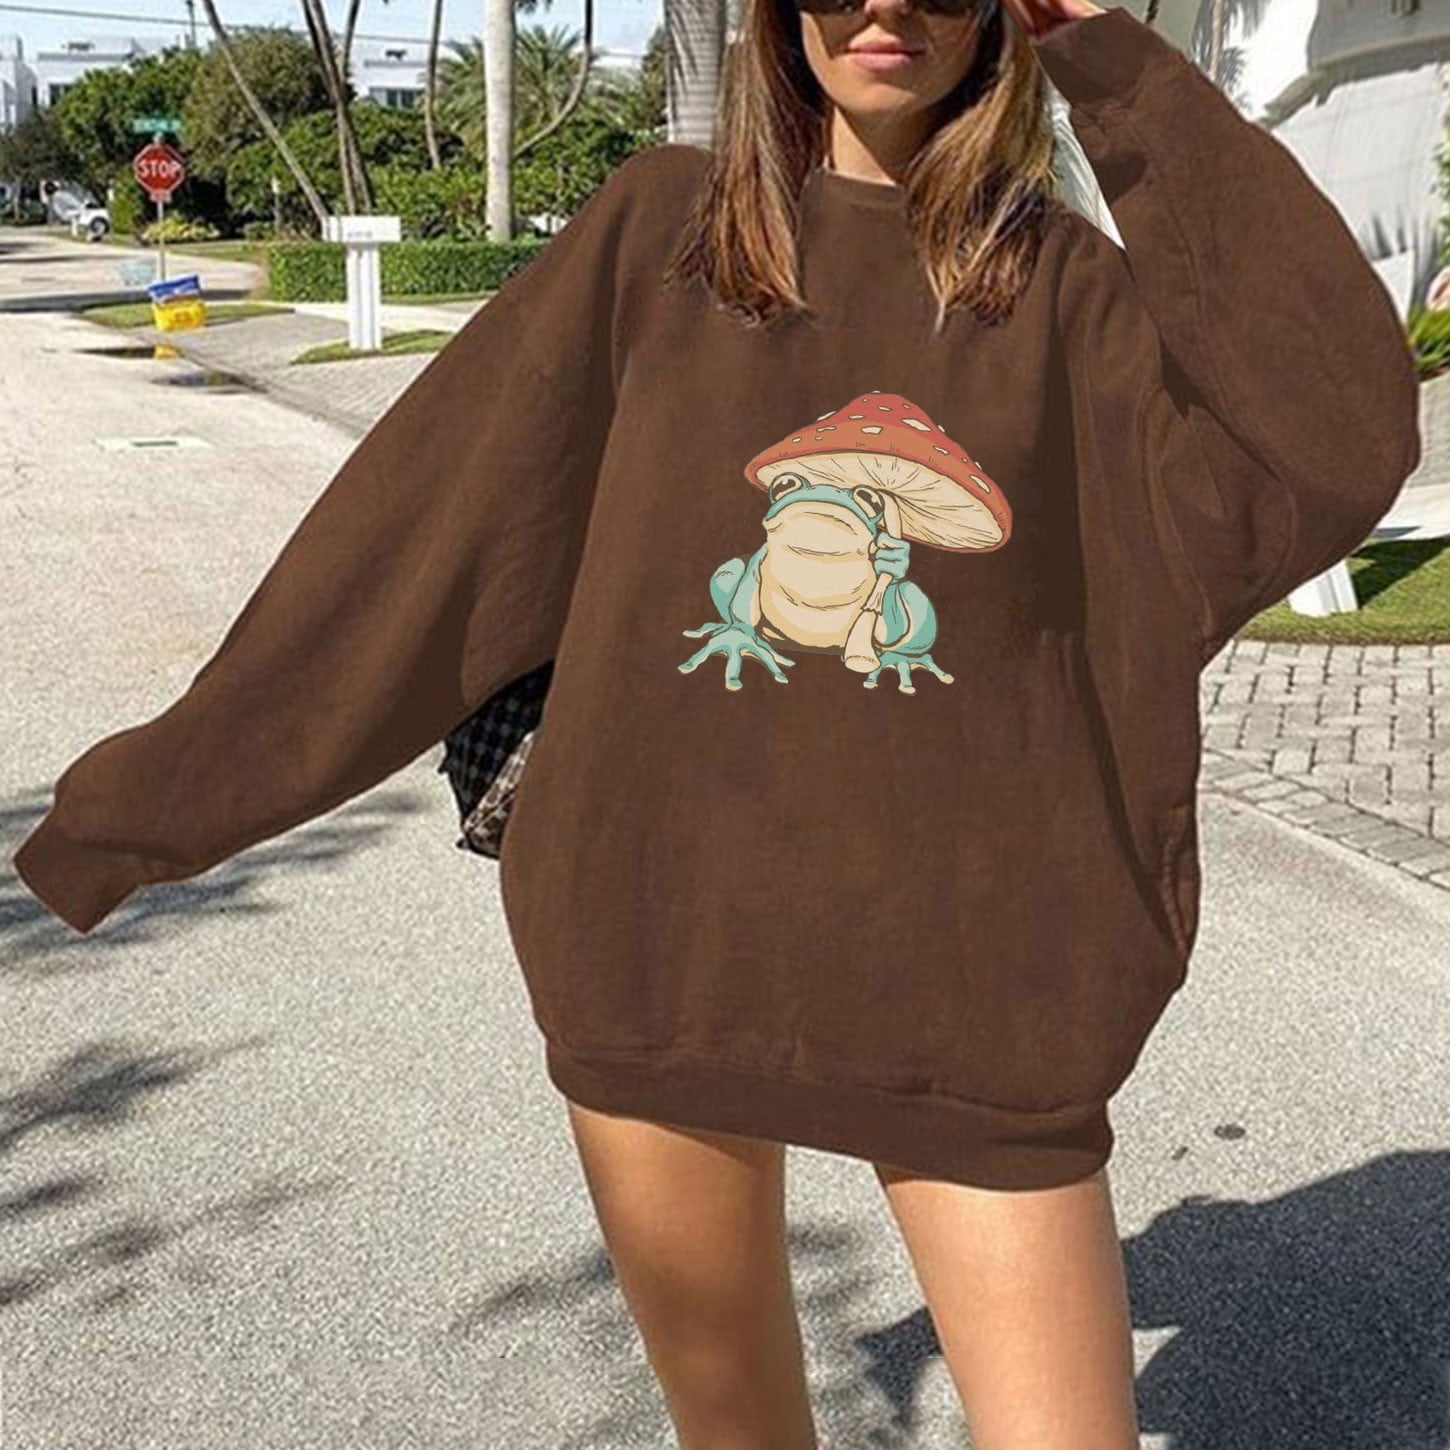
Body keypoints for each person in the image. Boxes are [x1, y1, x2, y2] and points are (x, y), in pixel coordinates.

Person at [12, 0, 1420, 1443]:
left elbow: (1330, 433)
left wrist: (1109, 57)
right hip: (658, 948)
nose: (885, 6)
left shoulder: (1063, 291)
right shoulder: (658, 237)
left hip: (982, 990)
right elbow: (415, 552)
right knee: (736, 1429)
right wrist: (139, 812)